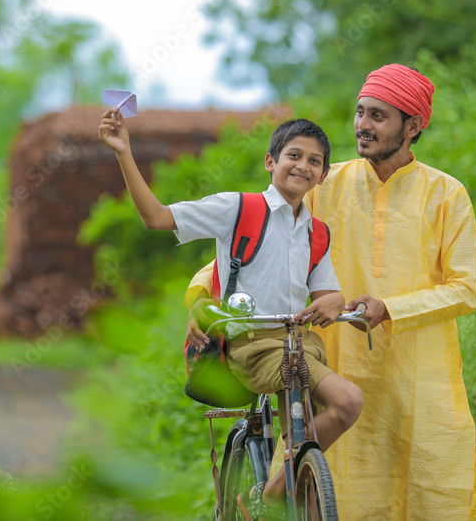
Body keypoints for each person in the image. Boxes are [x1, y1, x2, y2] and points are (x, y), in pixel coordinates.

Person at [188, 63, 476, 519]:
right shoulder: (326, 185)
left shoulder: (446, 195)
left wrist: (390, 308)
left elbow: (465, 289)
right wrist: (199, 299)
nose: (363, 125)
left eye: (378, 116)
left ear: (414, 126)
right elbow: (250, 247)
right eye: (360, 112)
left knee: (432, 491)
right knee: (328, 490)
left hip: (420, 382)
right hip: (332, 362)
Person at [98, 109, 364, 507]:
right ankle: (269, 497)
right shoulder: (238, 209)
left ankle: (291, 485)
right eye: (294, 155)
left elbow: (326, 293)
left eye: (314, 161)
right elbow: (156, 217)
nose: (303, 166)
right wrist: (123, 152)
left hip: (298, 344)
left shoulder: (316, 232)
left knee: (308, 433)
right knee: (348, 401)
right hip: (251, 344)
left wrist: (334, 301)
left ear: (323, 175)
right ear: (270, 161)